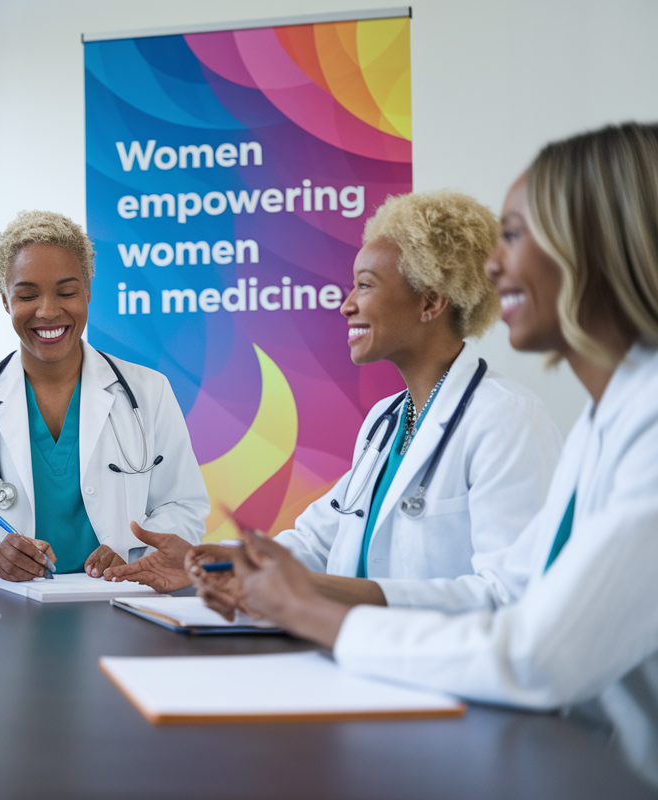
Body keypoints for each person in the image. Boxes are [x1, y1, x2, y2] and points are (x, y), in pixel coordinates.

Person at [189, 123, 658, 785]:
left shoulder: (539, 418)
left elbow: (529, 642)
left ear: (595, 245)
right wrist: (216, 563)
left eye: (516, 235)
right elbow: (522, 596)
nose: (494, 266)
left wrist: (315, 612)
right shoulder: (599, 421)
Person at [106, 191, 562, 613]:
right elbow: (316, 542)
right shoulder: (386, 421)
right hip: (361, 662)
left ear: (430, 301)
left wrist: (323, 591)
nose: (347, 305)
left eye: (365, 285)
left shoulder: (506, 419)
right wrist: (210, 563)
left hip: (449, 680)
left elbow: (511, 595)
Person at [0, 211, 209, 581]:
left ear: (88, 290)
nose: (48, 311)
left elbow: (183, 505)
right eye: (26, 295)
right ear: (5, 301)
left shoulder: (148, 391)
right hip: (13, 608)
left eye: (67, 292)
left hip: (120, 599)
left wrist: (130, 551)